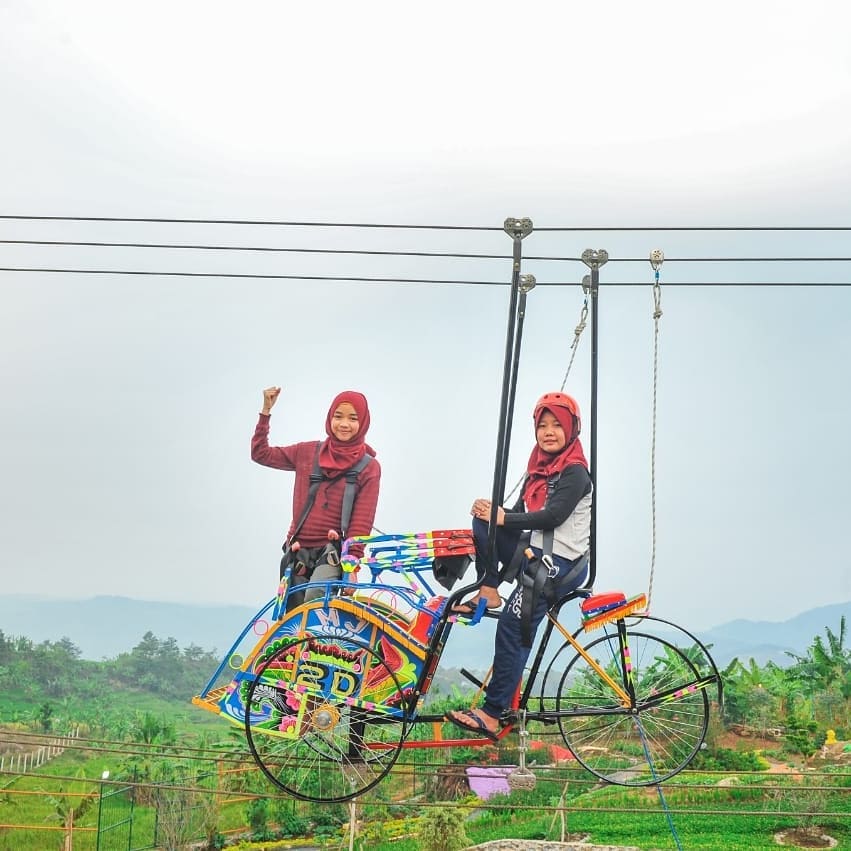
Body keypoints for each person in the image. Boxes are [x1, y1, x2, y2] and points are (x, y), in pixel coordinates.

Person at [446, 391, 592, 739]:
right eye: (543, 426)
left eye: (558, 425)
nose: (549, 432)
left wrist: (503, 517)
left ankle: (493, 713)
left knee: (513, 626)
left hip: (562, 563)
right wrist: (491, 512)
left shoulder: (574, 472)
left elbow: (552, 516)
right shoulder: (538, 469)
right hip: (537, 552)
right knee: (484, 522)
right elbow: (514, 515)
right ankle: (489, 587)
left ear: (572, 429)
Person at [251, 386, 381, 606]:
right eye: (338, 416)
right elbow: (261, 454)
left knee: (314, 599)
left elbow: (361, 521)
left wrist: (351, 566)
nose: (344, 424)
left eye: (353, 418)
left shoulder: (369, 467)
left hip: (332, 553)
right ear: (330, 418)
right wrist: (265, 412)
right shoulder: (307, 453)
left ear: (363, 423)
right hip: (297, 551)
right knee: (292, 614)